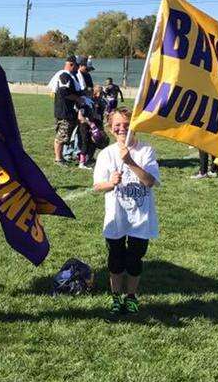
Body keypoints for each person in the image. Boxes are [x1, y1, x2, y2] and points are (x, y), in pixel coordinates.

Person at [93, 107, 160, 318]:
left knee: (134, 260)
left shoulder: (146, 151)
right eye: (117, 125)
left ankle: (131, 296)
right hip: (117, 217)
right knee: (115, 260)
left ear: (135, 126)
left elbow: (150, 182)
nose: (122, 129)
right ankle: (116, 297)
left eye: (126, 125)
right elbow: (97, 185)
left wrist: (130, 161)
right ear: (110, 128)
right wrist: (110, 183)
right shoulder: (106, 154)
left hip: (140, 218)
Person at [53, 56, 84, 166]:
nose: (77, 68)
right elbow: (64, 92)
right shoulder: (64, 76)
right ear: (71, 64)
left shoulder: (71, 76)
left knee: (65, 136)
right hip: (64, 112)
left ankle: (61, 157)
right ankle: (58, 159)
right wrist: (77, 98)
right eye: (76, 66)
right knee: (61, 136)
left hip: (68, 111)